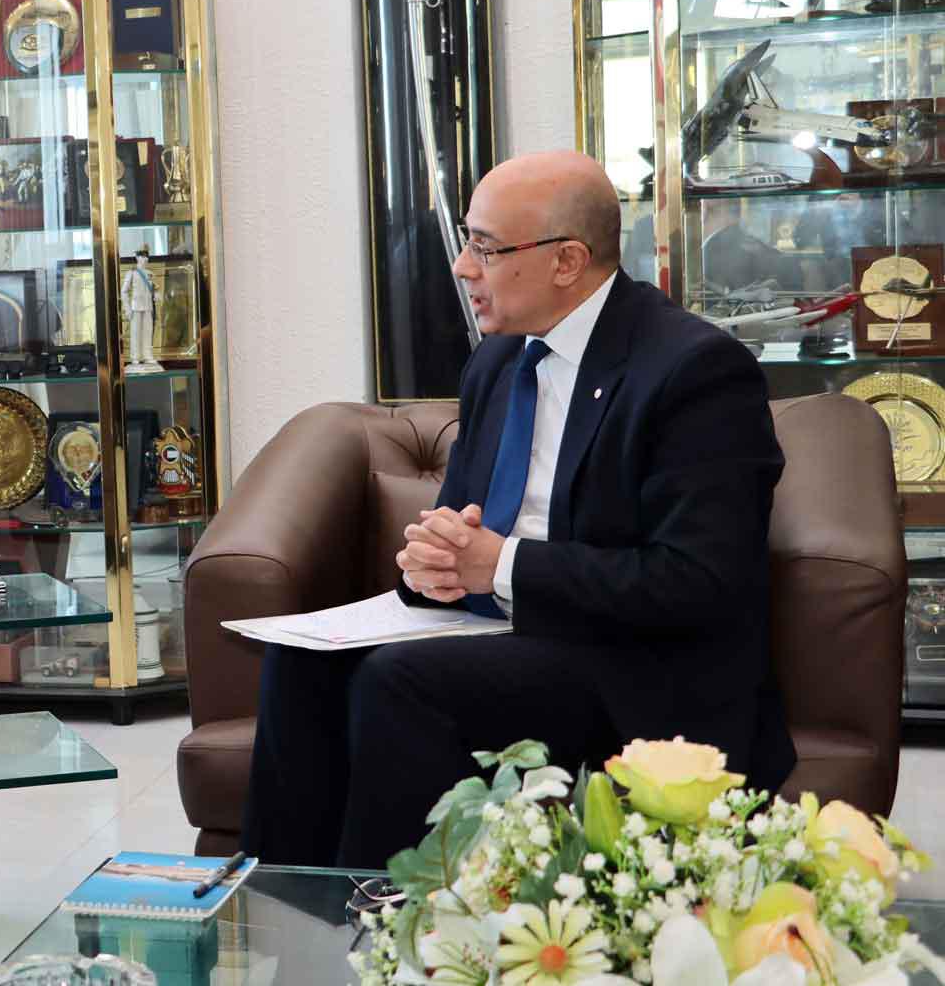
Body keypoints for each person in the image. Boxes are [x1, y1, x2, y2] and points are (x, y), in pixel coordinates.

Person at [240, 150, 794, 870]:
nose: (463, 267)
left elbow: (696, 581)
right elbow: (463, 526)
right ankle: (277, 903)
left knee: (401, 682)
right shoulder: (499, 361)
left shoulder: (695, 371)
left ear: (567, 261)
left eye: (486, 248)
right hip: (500, 631)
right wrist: (433, 561)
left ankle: (379, 916)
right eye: (467, 242)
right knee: (300, 661)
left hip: (629, 664)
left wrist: (499, 566)